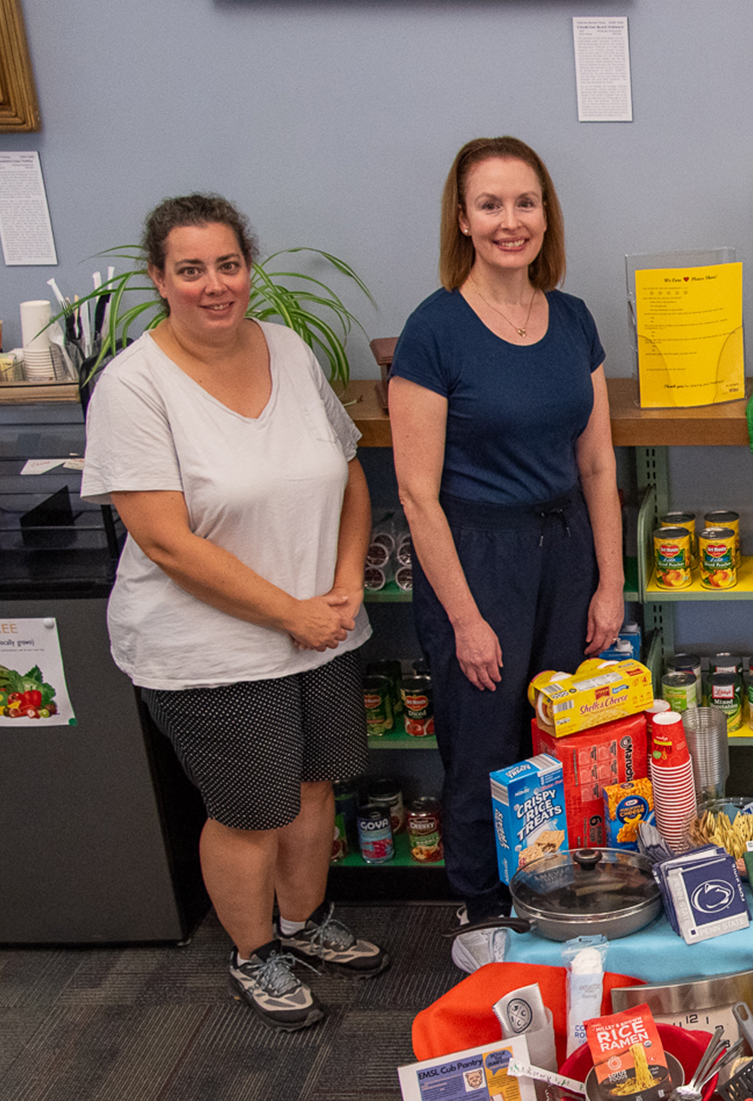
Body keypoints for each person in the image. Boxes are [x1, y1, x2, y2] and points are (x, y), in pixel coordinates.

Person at [83, 193, 388, 1031]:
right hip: (213, 648)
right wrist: (291, 610)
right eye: (191, 270)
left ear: (248, 268)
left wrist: (343, 586)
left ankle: (305, 924)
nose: (214, 285)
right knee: (252, 809)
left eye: (228, 265)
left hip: (320, 628)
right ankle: (254, 954)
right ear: (158, 279)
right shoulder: (134, 386)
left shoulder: (286, 348)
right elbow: (167, 541)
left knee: (314, 786)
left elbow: (350, 472)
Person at [390, 136, 623, 970]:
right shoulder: (435, 330)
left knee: (565, 737)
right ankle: (481, 907)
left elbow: (597, 462)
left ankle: (554, 893)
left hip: (564, 551)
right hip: (477, 558)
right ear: (463, 218)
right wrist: (465, 617)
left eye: (525, 202)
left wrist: (611, 581)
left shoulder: (573, 317)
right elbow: (417, 493)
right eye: (489, 205)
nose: (510, 221)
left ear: (546, 213)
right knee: (484, 736)